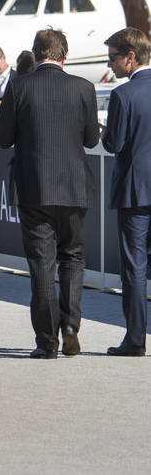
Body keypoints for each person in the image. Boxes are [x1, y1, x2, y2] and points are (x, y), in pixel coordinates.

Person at [0, 28, 99, 359]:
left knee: (42, 264)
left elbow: (2, 139)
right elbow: (91, 140)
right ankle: (70, 327)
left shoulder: (18, 85)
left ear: (36, 54)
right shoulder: (84, 87)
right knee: (73, 257)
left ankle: (46, 342)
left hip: (34, 188)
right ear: (64, 56)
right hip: (74, 187)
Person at [100, 28, 151, 356]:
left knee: (134, 268)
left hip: (136, 192)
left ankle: (135, 339)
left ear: (130, 57)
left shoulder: (123, 95)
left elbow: (113, 144)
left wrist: (103, 130)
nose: (111, 64)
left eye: (114, 57)